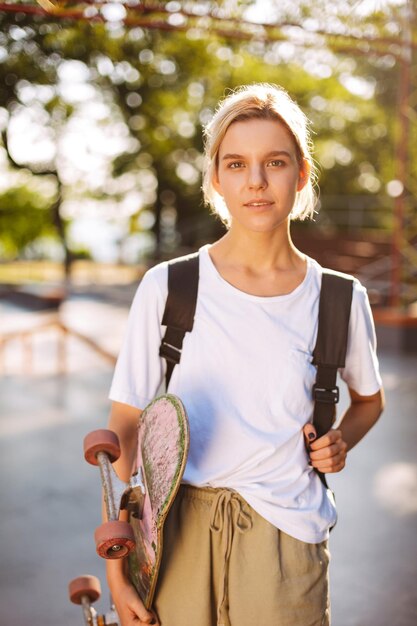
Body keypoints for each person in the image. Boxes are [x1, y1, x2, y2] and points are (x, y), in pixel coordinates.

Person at [105, 83, 384, 626]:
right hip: (175, 537)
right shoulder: (168, 287)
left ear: (300, 174)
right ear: (216, 179)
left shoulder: (339, 298)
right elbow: (122, 446)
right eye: (236, 164)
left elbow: (369, 401)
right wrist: (120, 568)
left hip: (287, 540)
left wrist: (340, 441)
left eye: (274, 162)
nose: (256, 181)